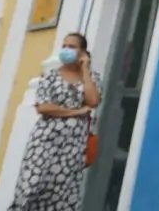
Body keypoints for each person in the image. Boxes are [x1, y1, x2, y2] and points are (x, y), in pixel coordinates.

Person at [8, 34, 101, 211]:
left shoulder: (92, 78)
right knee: (31, 187)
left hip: (74, 145)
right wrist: (77, 111)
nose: (66, 50)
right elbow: (43, 107)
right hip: (46, 140)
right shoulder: (50, 76)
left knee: (63, 193)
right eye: (64, 46)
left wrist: (86, 71)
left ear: (82, 52)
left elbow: (93, 101)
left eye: (72, 47)